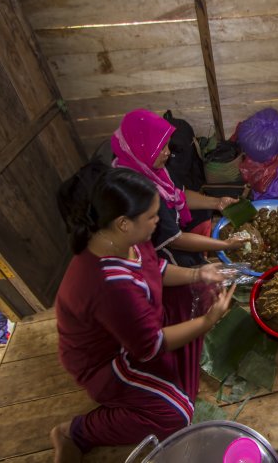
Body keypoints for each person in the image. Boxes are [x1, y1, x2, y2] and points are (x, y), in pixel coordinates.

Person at [50, 168, 236, 461]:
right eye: (151, 216)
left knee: (197, 289)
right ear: (123, 223)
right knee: (177, 415)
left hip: (131, 330)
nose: (158, 220)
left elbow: (156, 269)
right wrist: (208, 321)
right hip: (107, 361)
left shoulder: (126, 240)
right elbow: (151, 346)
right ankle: (75, 432)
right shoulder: (111, 285)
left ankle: (167, 382)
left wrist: (199, 272)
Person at [111, 109, 247, 267]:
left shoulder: (151, 167)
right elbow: (176, 241)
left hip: (170, 224)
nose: (168, 153)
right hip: (157, 249)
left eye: (167, 145)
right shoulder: (142, 192)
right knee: (189, 263)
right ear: (142, 148)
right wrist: (226, 245)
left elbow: (179, 193)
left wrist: (218, 203)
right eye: (162, 148)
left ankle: (200, 250)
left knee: (203, 211)